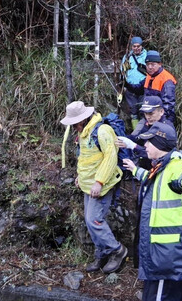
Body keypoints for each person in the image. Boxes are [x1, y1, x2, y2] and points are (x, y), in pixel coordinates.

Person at [123, 122, 182, 301]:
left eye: (148, 142)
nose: (145, 146)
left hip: (169, 259)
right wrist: (135, 170)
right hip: (166, 257)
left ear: (160, 144)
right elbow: (153, 182)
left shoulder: (177, 165)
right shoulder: (162, 167)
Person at [60, 101, 128, 273]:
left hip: (101, 186)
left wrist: (99, 182)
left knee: (94, 220)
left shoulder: (102, 131)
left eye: (75, 123)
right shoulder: (84, 132)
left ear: (83, 119)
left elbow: (110, 158)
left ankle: (118, 250)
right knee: (90, 223)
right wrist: (80, 177)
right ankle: (102, 253)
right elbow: (86, 158)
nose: (73, 126)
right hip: (88, 185)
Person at [116, 95, 173, 170]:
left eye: (151, 113)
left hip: (162, 168)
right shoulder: (149, 123)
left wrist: (133, 146)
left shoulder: (165, 129)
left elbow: (155, 153)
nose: (148, 117)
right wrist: (121, 138)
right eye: (145, 114)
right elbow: (138, 137)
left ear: (161, 111)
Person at [143, 50, 177, 124]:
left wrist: (160, 121)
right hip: (150, 116)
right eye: (148, 64)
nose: (150, 67)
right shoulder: (149, 76)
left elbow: (168, 105)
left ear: (160, 64)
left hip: (163, 118)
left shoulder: (167, 80)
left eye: (153, 64)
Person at [121, 36, 148, 129]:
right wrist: (124, 86)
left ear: (142, 46)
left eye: (138, 46)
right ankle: (136, 133)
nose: (136, 48)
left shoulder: (147, 56)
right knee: (133, 112)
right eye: (134, 46)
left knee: (143, 111)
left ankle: (144, 131)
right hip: (130, 89)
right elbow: (123, 72)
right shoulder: (127, 57)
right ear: (131, 47)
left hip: (143, 88)